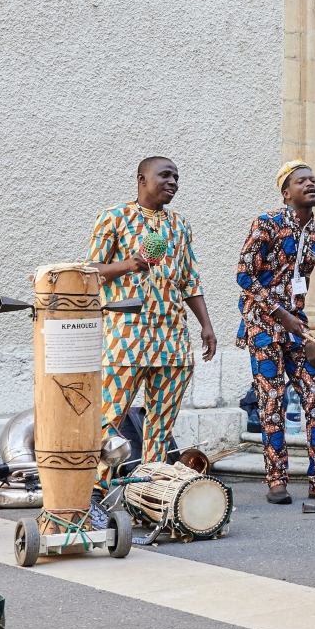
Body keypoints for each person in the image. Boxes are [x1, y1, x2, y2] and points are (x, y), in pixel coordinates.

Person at [234, 162, 315, 512]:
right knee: (271, 401)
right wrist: (281, 314)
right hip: (262, 325)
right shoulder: (267, 223)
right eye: (301, 181)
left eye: (314, 180)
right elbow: (244, 276)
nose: (311, 184)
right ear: (286, 192)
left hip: (296, 329)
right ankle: (277, 480)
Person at [93, 156, 218, 474]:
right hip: (127, 337)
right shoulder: (114, 218)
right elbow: (89, 272)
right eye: (165, 175)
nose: (173, 182)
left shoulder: (180, 224)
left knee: (160, 431)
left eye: (177, 177)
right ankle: (95, 493)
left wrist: (206, 325)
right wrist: (127, 265)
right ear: (141, 179)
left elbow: (190, 279)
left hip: (173, 340)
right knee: (107, 421)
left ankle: (149, 493)